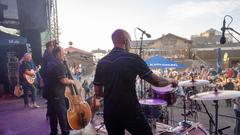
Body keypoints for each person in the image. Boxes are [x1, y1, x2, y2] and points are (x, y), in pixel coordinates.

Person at [93, 29, 177, 135]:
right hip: (130, 110)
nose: (130, 44)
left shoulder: (102, 62)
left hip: (110, 112)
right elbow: (157, 81)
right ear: (125, 40)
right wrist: (171, 80)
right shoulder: (132, 58)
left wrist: (113, 95)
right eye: (130, 40)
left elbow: (97, 92)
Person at [45, 46, 75, 135]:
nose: (64, 54)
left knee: (53, 116)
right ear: (58, 53)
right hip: (58, 95)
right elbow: (63, 80)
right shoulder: (59, 64)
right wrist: (72, 81)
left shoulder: (50, 63)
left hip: (50, 94)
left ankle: (53, 132)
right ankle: (65, 133)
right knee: (62, 117)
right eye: (63, 53)